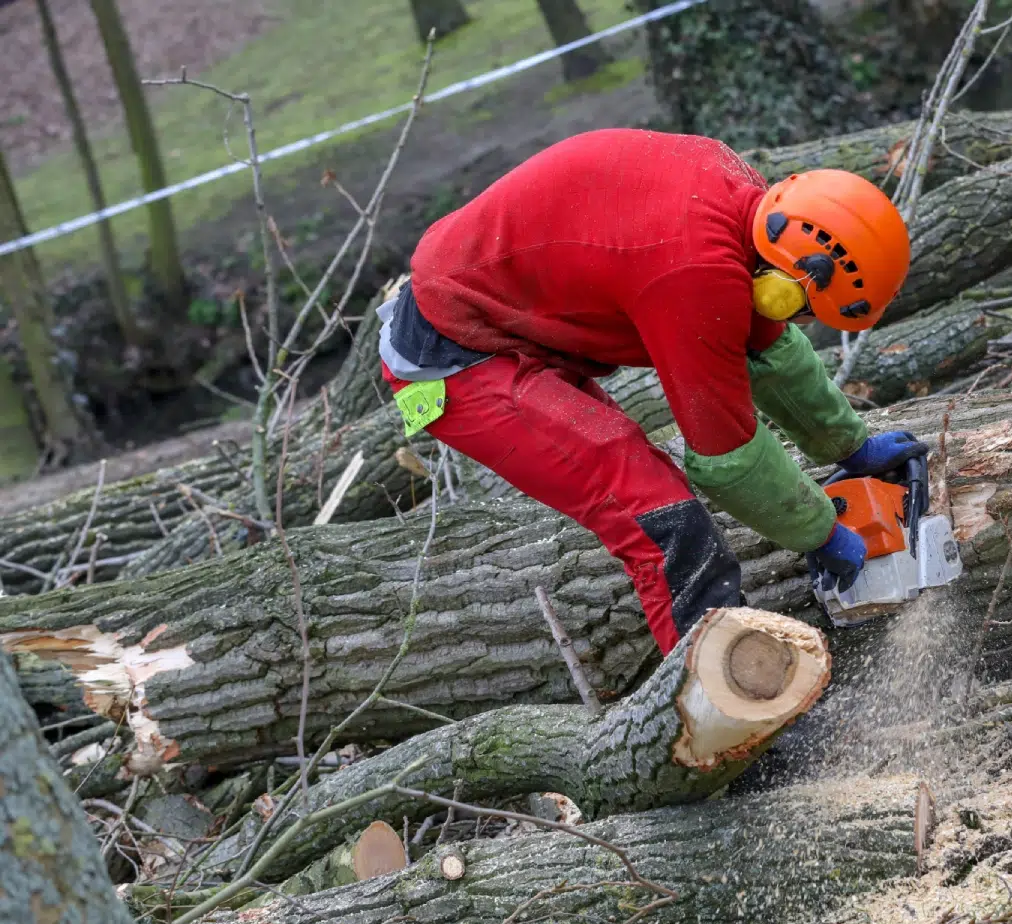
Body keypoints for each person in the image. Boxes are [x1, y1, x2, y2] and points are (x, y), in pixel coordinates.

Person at [378, 127, 928, 655]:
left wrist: (848, 446)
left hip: (512, 311)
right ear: (786, 282)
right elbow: (727, 458)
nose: (801, 321)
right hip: (453, 357)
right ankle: (720, 717)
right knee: (657, 513)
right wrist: (819, 532)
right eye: (804, 309)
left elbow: (763, 347)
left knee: (647, 483)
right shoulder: (695, 274)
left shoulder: (743, 201)